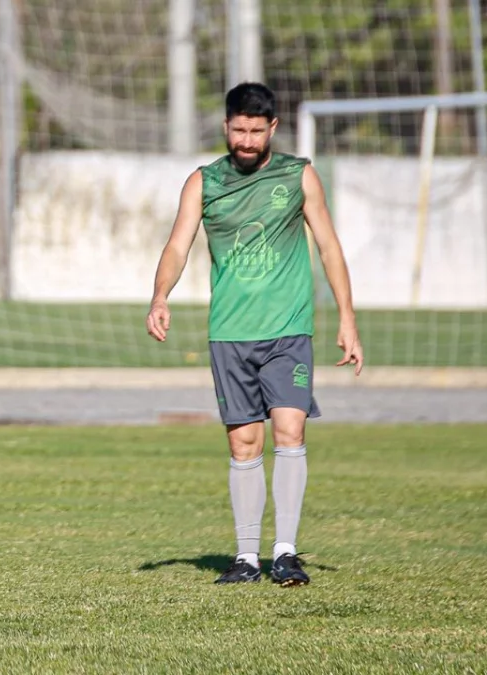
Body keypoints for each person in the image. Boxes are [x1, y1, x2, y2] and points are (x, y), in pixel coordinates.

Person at [146, 82, 363, 587]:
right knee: (245, 443)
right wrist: (160, 295)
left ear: (273, 129)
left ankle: (285, 552)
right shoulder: (204, 181)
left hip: (288, 331)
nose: (246, 140)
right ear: (226, 127)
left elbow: (329, 247)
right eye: (238, 130)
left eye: (255, 131)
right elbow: (178, 246)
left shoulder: (299, 175)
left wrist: (348, 320)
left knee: (290, 431)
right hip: (230, 333)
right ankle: (246, 558)